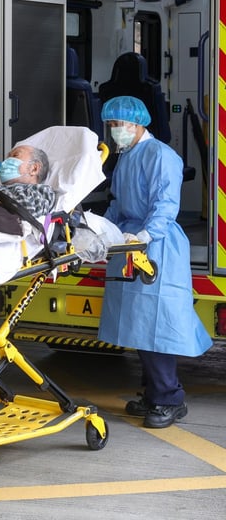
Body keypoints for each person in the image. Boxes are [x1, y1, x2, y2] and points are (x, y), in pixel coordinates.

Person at [97, 95, 211, 429]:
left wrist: (146, 235)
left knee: (157, 324)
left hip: (156, 246)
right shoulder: (127, 156)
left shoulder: (161, 155)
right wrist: (104, 232)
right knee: (138, 325)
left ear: (138, 124)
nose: (115, 130)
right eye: (112, 125)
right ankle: (152, 393)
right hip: (130, 244)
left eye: (120, 124)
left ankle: (169, 399)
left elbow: (165, 204)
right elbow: (118, 201)